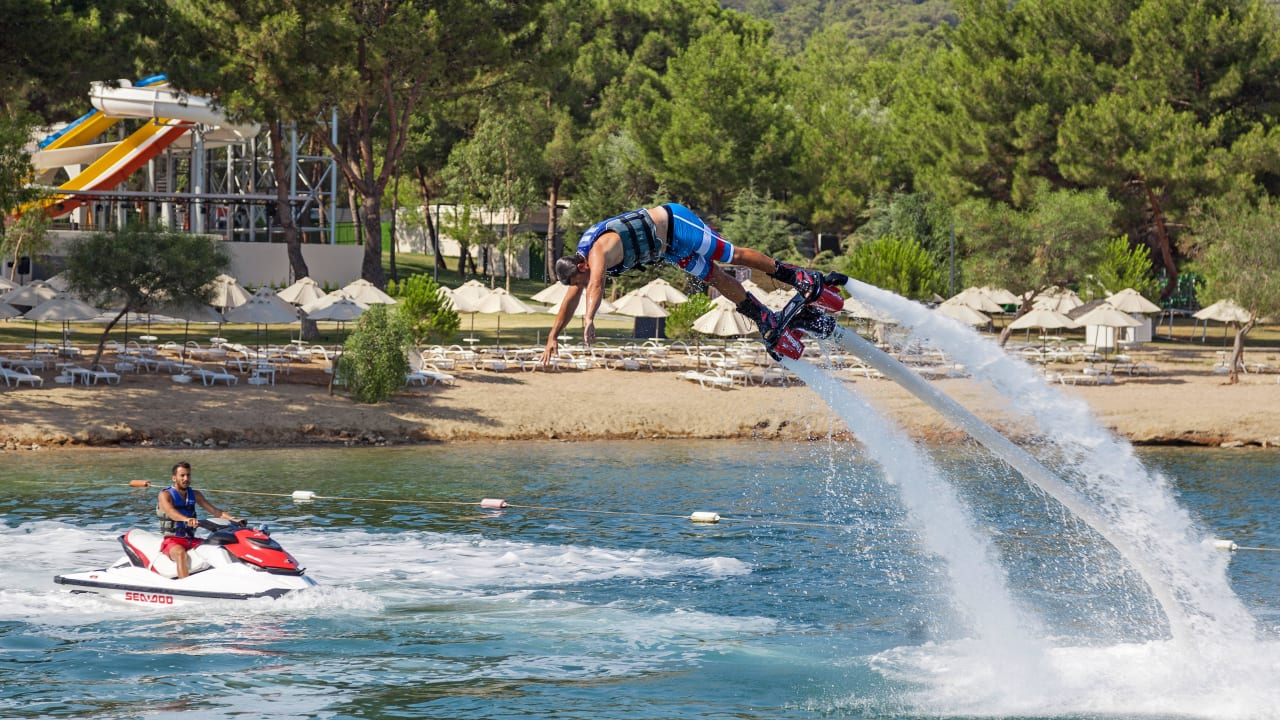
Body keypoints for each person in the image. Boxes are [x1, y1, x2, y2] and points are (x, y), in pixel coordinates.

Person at [541, 203, 846, 364]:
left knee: (731, 255)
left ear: (581, 265)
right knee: (714, 276)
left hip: (675, 223)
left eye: (579, 279)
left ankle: (795, 276)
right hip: (668, 248)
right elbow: (573, 296)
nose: (580, 286)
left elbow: (595, 284)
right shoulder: (579, 267)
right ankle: (763, 316)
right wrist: (553, 335)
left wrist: (590, 318)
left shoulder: (595, 253)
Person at [156, 461, 240, 578]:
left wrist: (233, 519)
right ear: (174, 478)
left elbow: (215, 511)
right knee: (181, 554)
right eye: (182, 475)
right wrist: (187, 519)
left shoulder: (195, 494)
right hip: (172, 540)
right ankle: (185, 586)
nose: (186, 478)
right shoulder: (165, 495)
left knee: (219, 548)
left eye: (188, 475)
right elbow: (171, 513)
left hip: (191, 539)